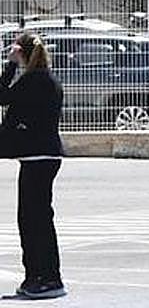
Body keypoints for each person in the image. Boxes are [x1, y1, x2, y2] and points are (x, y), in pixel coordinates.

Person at [0, 33, 66, 300]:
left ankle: (46, 278)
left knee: (33, 221)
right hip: (44, 156)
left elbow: (2, 96)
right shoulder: (47, 80)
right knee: (36, 218)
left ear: (22, 54)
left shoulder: (33, 80)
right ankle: (39, 276)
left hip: (37, 157)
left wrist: (10, 65)